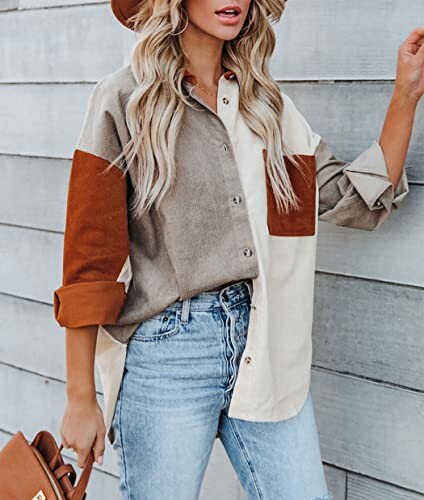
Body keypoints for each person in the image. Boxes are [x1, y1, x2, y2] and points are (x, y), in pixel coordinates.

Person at [54, 0, 422, 498]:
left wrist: (405, 94)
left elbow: (354, 200)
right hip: (169, 356)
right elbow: (88, 260)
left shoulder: (270, 113)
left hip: (267, 350)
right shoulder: (123, 99)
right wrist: (81, 398)